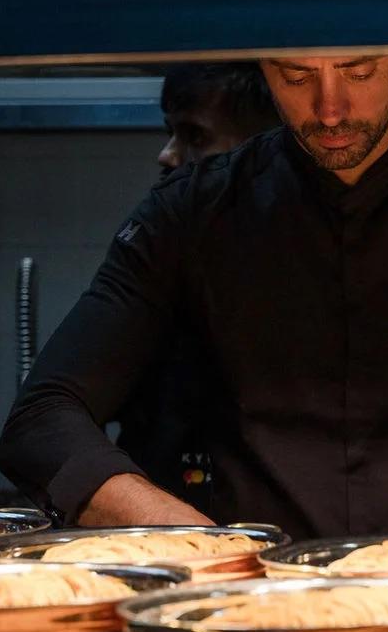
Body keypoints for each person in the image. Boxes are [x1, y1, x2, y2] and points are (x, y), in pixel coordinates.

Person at [0, 53, 388, 565]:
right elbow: (42, 421)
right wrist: (195, 544)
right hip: (245, 607)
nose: (330, 108)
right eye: (296, 76)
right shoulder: (188, 215)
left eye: (359, 71)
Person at [113, 61, 280, 511]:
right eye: (171, 133)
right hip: (161, 504)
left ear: (268, 144)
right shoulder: (162, 238)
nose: (168, 155)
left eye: (195, 136)